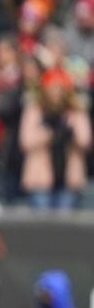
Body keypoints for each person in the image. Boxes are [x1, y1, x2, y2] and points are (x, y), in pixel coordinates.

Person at [19, 67, 90, 210]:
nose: (56, 92)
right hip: (41, 179)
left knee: (65, 227)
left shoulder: (75, 111)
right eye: (53, 87)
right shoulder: (36, 109)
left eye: (60, 88)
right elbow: (25, 141)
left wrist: (70, 133)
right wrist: (50, 132)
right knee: (41, 226)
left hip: (68, 178)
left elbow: (85, 141)